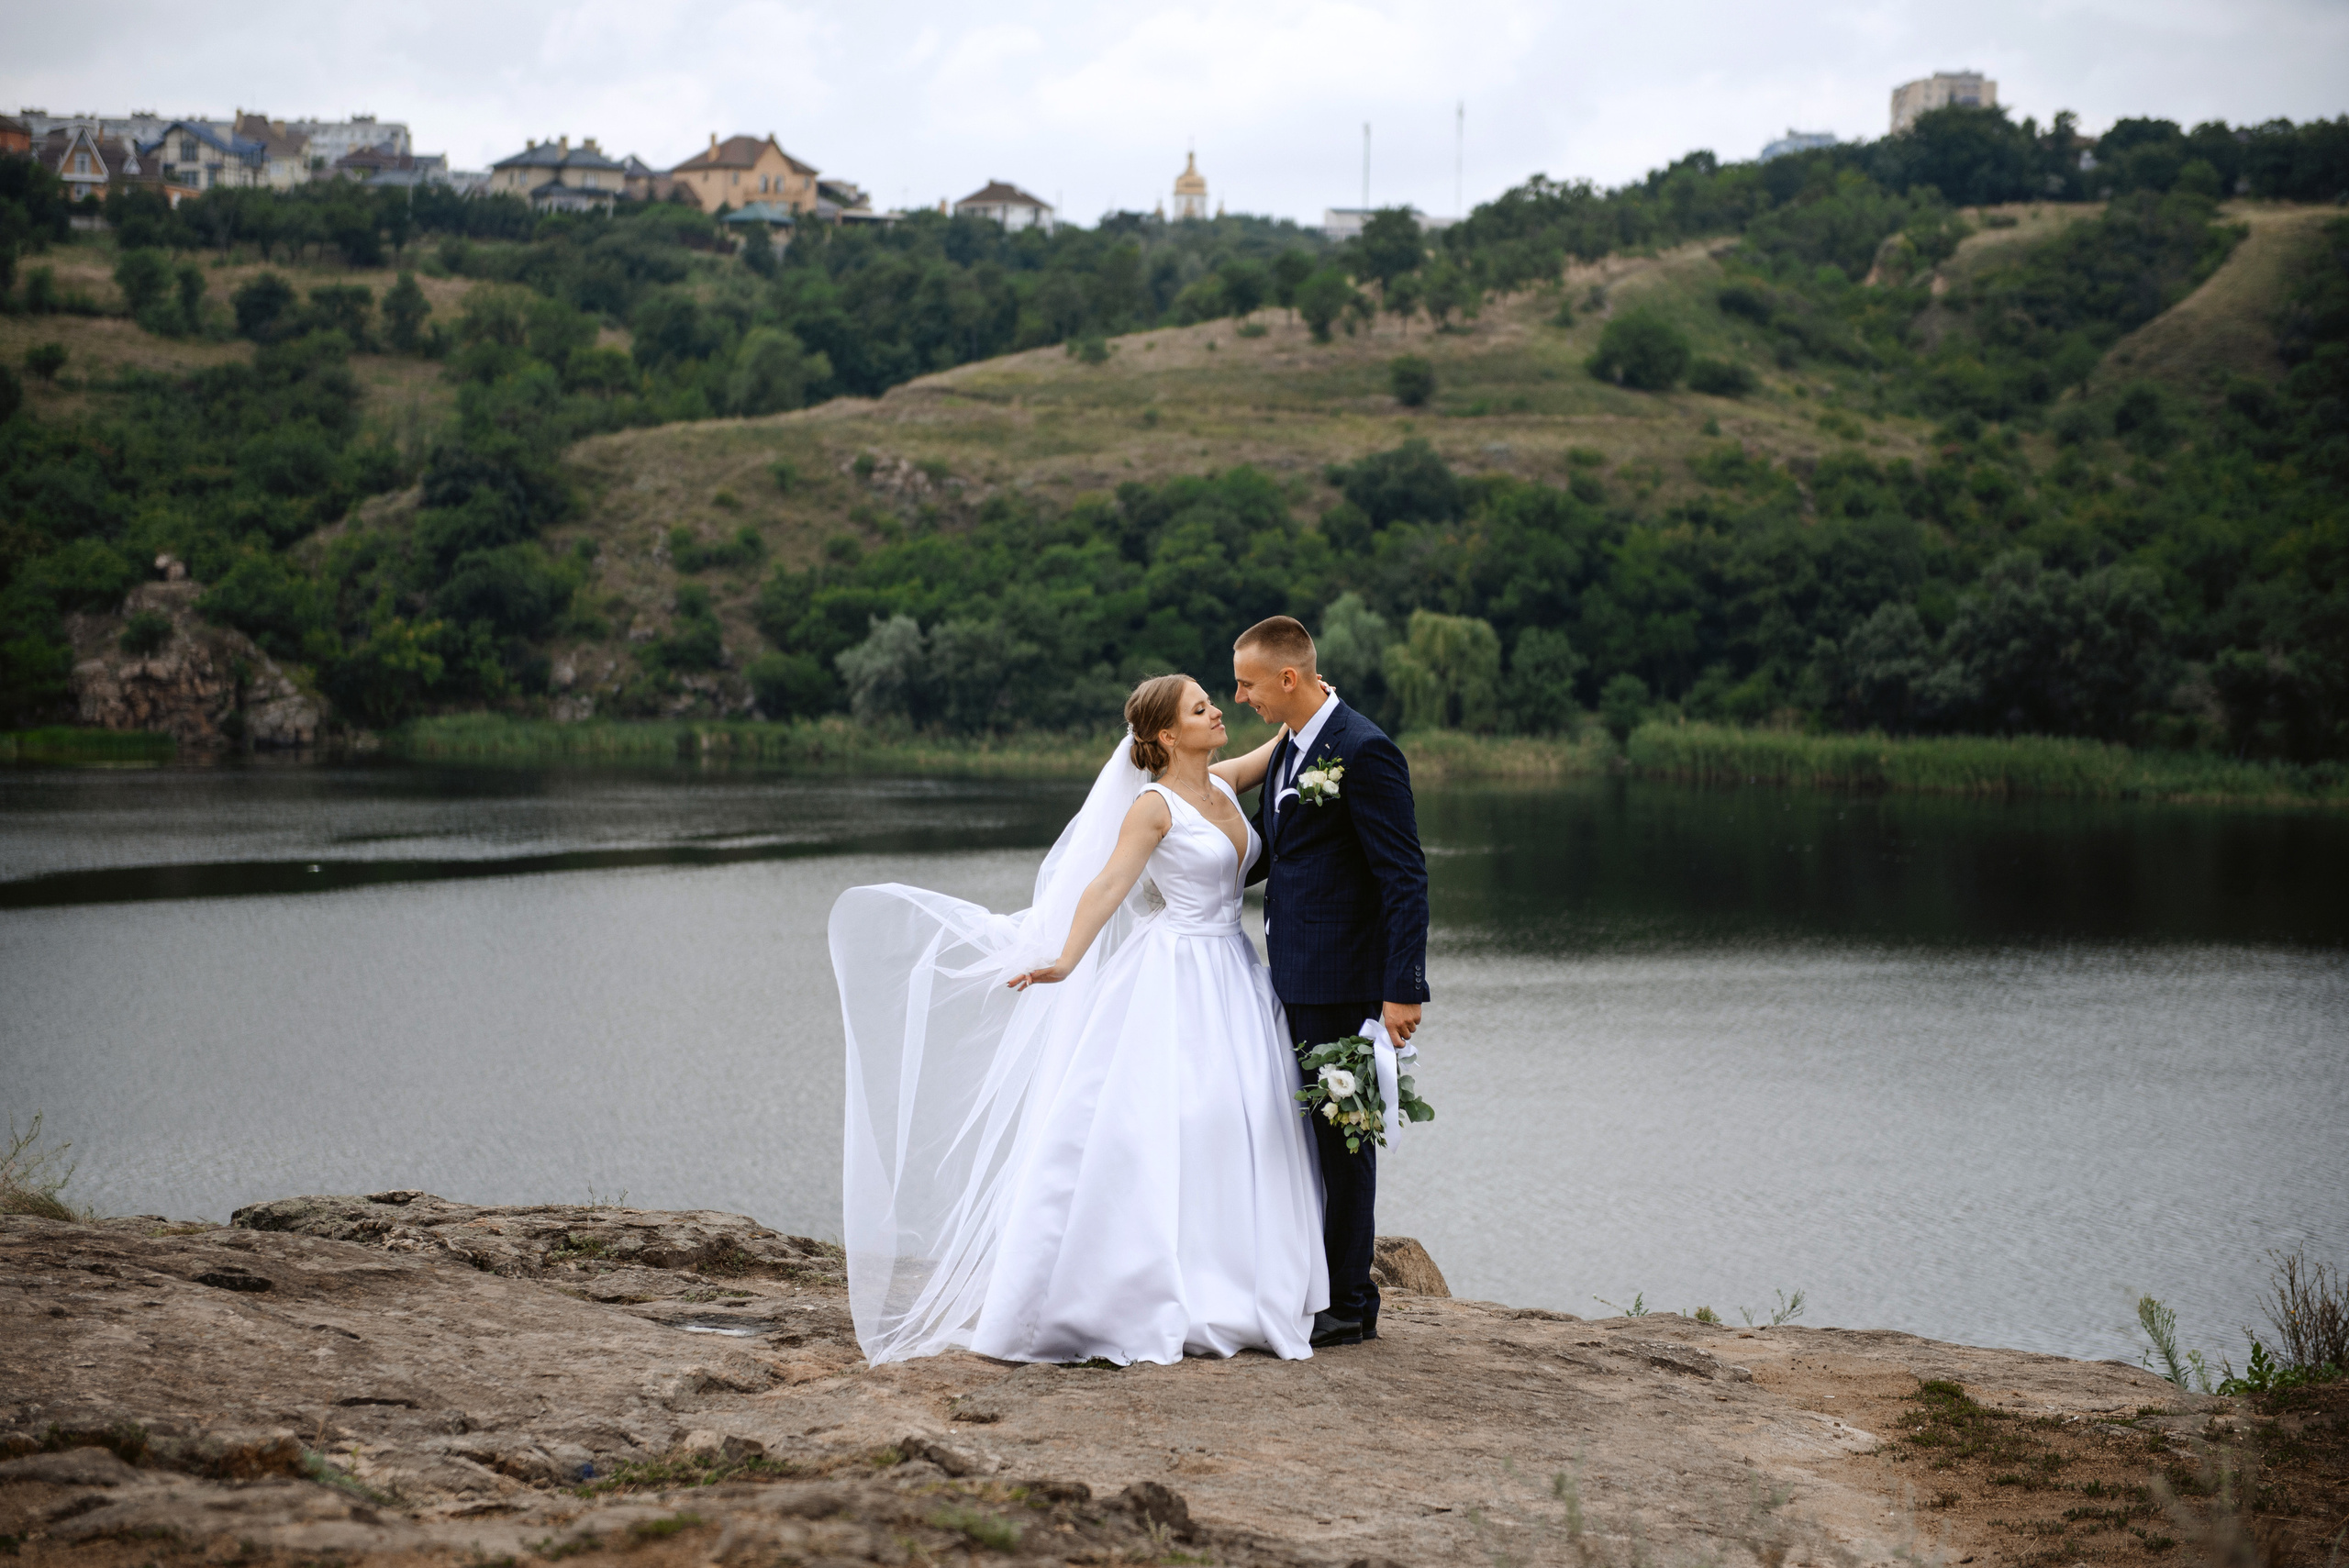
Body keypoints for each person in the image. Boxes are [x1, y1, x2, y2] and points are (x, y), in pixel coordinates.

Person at [829, 673, 1330, 1364]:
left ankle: (1238, 1284)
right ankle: (1143, 1288)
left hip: (1234, 977)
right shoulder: (1153, 808)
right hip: (1175, 973)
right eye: (1199, 707)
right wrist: (1065, 958)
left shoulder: (1221, 785)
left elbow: (1275, 749)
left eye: (1214, 700)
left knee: (1236, 1122)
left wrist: (1308, 704)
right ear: (1164, 735)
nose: (1217, 710)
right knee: (1167, 1120)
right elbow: (1107, 884)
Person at [1231, 615, 1431, 1347]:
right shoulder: (1290, 747)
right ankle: (1316, 1281)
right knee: (1308, 1137)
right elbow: (1271, 852)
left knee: (1345, 1140)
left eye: (1247, 682)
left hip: (1346, 980)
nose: (1240, 695)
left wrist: (1403, 988)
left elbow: (1404, 876)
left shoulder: (1364, 750)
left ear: (1289, 678)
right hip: (1293, 976)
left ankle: (1350, 1301)